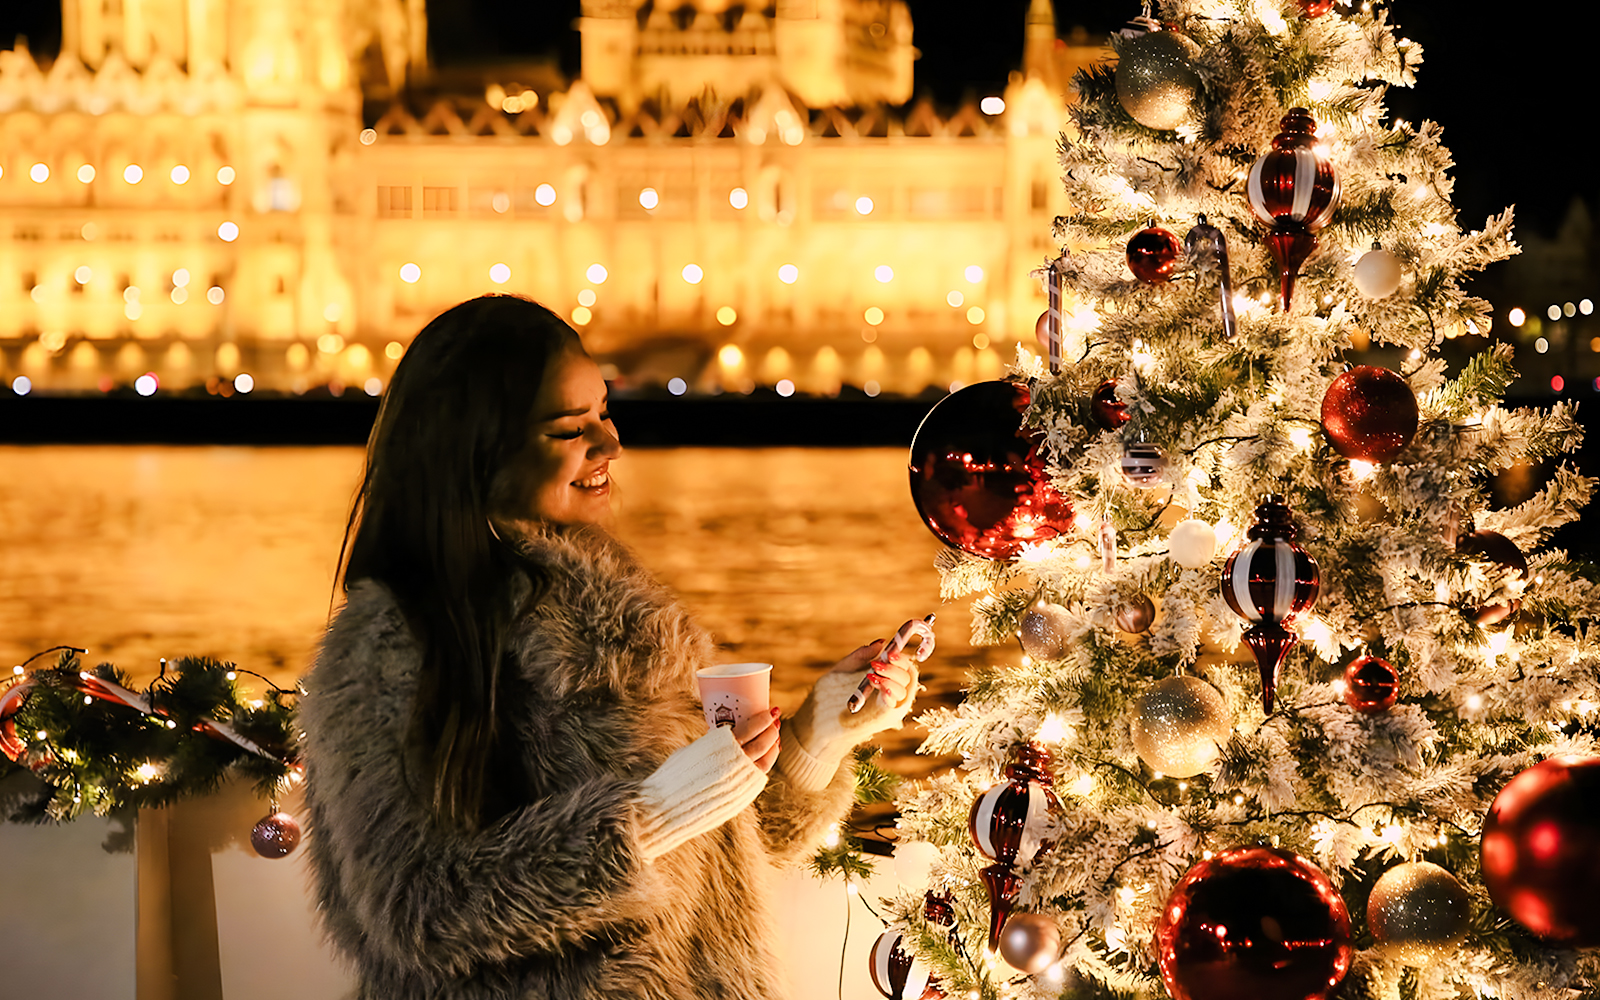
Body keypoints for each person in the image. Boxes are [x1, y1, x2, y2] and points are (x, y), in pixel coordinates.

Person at [298, 295, 921, 999]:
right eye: (570, 428)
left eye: (604, 410)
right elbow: (419, 907)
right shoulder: (391, 640)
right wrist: (651, 814)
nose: (611, 444)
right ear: (476, 449)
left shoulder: (622, 615)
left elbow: (720, 847)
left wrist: (816, 736)